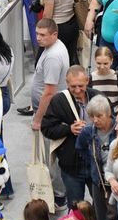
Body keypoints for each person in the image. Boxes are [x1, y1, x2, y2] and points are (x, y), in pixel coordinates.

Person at [42, 65, 99, 206]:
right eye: (73, 86)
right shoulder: (59, 101)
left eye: (81, 85)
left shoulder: (97, 97)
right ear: (67, 83)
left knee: (100, 207)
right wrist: (69, 129)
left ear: (87, 80)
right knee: (75, 208)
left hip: (96, 163)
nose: (77, 90)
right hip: (72, 165)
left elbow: (112, 124)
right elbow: (47, 129)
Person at [76, 95, 117, 220]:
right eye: (92, 116)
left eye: (99, 116)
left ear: (109, 114)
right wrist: (94, 168)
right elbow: (81, 150)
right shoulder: (88, 132)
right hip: (100, 185)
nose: (95, 120)